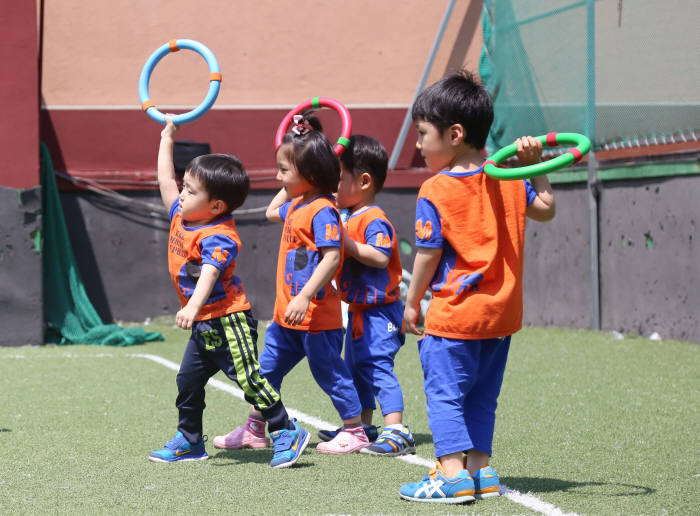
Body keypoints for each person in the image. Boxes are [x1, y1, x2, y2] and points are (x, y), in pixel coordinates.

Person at [398, 71, 555, 503]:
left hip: (455, 317)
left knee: (445, 397)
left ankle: (451, 477)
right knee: (483, 398)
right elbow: (545, 208)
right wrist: (534, 170)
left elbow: (427, 255)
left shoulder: (435, 188)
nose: (417, 144)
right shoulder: (507, 177)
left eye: (423, 134)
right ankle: (481, 472)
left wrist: (412, 304)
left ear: (455, 134)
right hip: (501, 317)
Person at [149, 117, 310, 469]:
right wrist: (167, 137)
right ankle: (190, 439)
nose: (181, 192)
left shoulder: (219, 235)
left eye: (191, 190)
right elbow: (165, 179)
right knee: (188, 381)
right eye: (185, 186)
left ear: (217, 206)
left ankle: (286, 430)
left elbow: (210, 273)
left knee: (249, 379)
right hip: (204, 325)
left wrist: (192, 306)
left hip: (227, 318)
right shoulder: (181, 213)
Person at [217, 117, 370, 454]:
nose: (277, 177)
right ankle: (255, 428)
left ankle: (355, 430)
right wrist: (292, 177)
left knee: (329, 372)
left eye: (283, 171)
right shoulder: (298, 205)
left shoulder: (322, 210)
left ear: (310, 176)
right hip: (287, 318)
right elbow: (273, 211)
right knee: (265, 372)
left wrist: (303, 296)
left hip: (316, 316)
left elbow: (332, 257)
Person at [319, 134, 415, 457]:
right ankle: (364, 426)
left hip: (382, 312)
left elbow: (381, 256)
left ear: (363, 181)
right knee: (356, 369)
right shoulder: (347, 215)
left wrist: (346, 243)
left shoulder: (374, 218)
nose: (333, 188)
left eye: (338, 180)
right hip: (359, 312)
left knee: (377, 368)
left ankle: (397, 429)